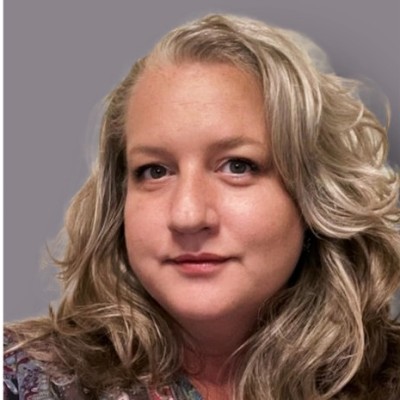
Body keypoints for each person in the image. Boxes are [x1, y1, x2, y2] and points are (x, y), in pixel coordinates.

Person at [4, 13, 400, 400]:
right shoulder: (20, 378)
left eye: (238, 166)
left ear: (316, 193)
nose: (188, 215)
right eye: (155, 171)